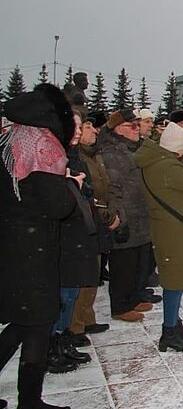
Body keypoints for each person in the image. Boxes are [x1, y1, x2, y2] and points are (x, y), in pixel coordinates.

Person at [0, 84, 78, 409]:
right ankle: (29, 404)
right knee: (37, 323)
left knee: (23, 321)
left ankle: (30, 402)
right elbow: (58, 206)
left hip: (12, 245)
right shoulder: (41, 147)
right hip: (33, 249)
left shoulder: (10, 138)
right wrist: (71, 184)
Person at [135, 122, 183, 353]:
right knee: (174, 280)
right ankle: (168, 331)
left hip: (170, 226)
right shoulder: (166, 166)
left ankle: (174, 324)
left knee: (176, 277)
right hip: (171, 229)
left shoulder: (158, 161)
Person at [48, 112, 100, 372]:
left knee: (71, 292)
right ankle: (52, 346)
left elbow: (87, 189)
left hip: (77, 228)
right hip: (62, 232)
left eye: (81, 126)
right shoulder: (53, 155)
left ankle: (64, 339)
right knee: (62, 293)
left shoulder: (73, 155)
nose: (79, 131)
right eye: (76, 126)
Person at [97, 109, 154, 322]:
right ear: (120, 128)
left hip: (140, 214)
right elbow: (114, 188)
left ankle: (133, 298)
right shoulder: (112, 152)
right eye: (134, 125)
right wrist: (119, 217)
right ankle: (121, 305)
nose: (138, 129)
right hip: (127, 215)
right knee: (124, 264)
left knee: (138, 261)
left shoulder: (132, 148)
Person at [71, 114, 116, 343]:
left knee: (94, 270)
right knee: (83, 273)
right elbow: (88, 191)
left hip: (98, 217)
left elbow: (105, 185)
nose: (94, 131)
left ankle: (87, 317)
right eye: (87, 127)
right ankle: (75, 326)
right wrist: (104, 212)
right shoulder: (75, 157)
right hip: (87, 218)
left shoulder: (93, 154)